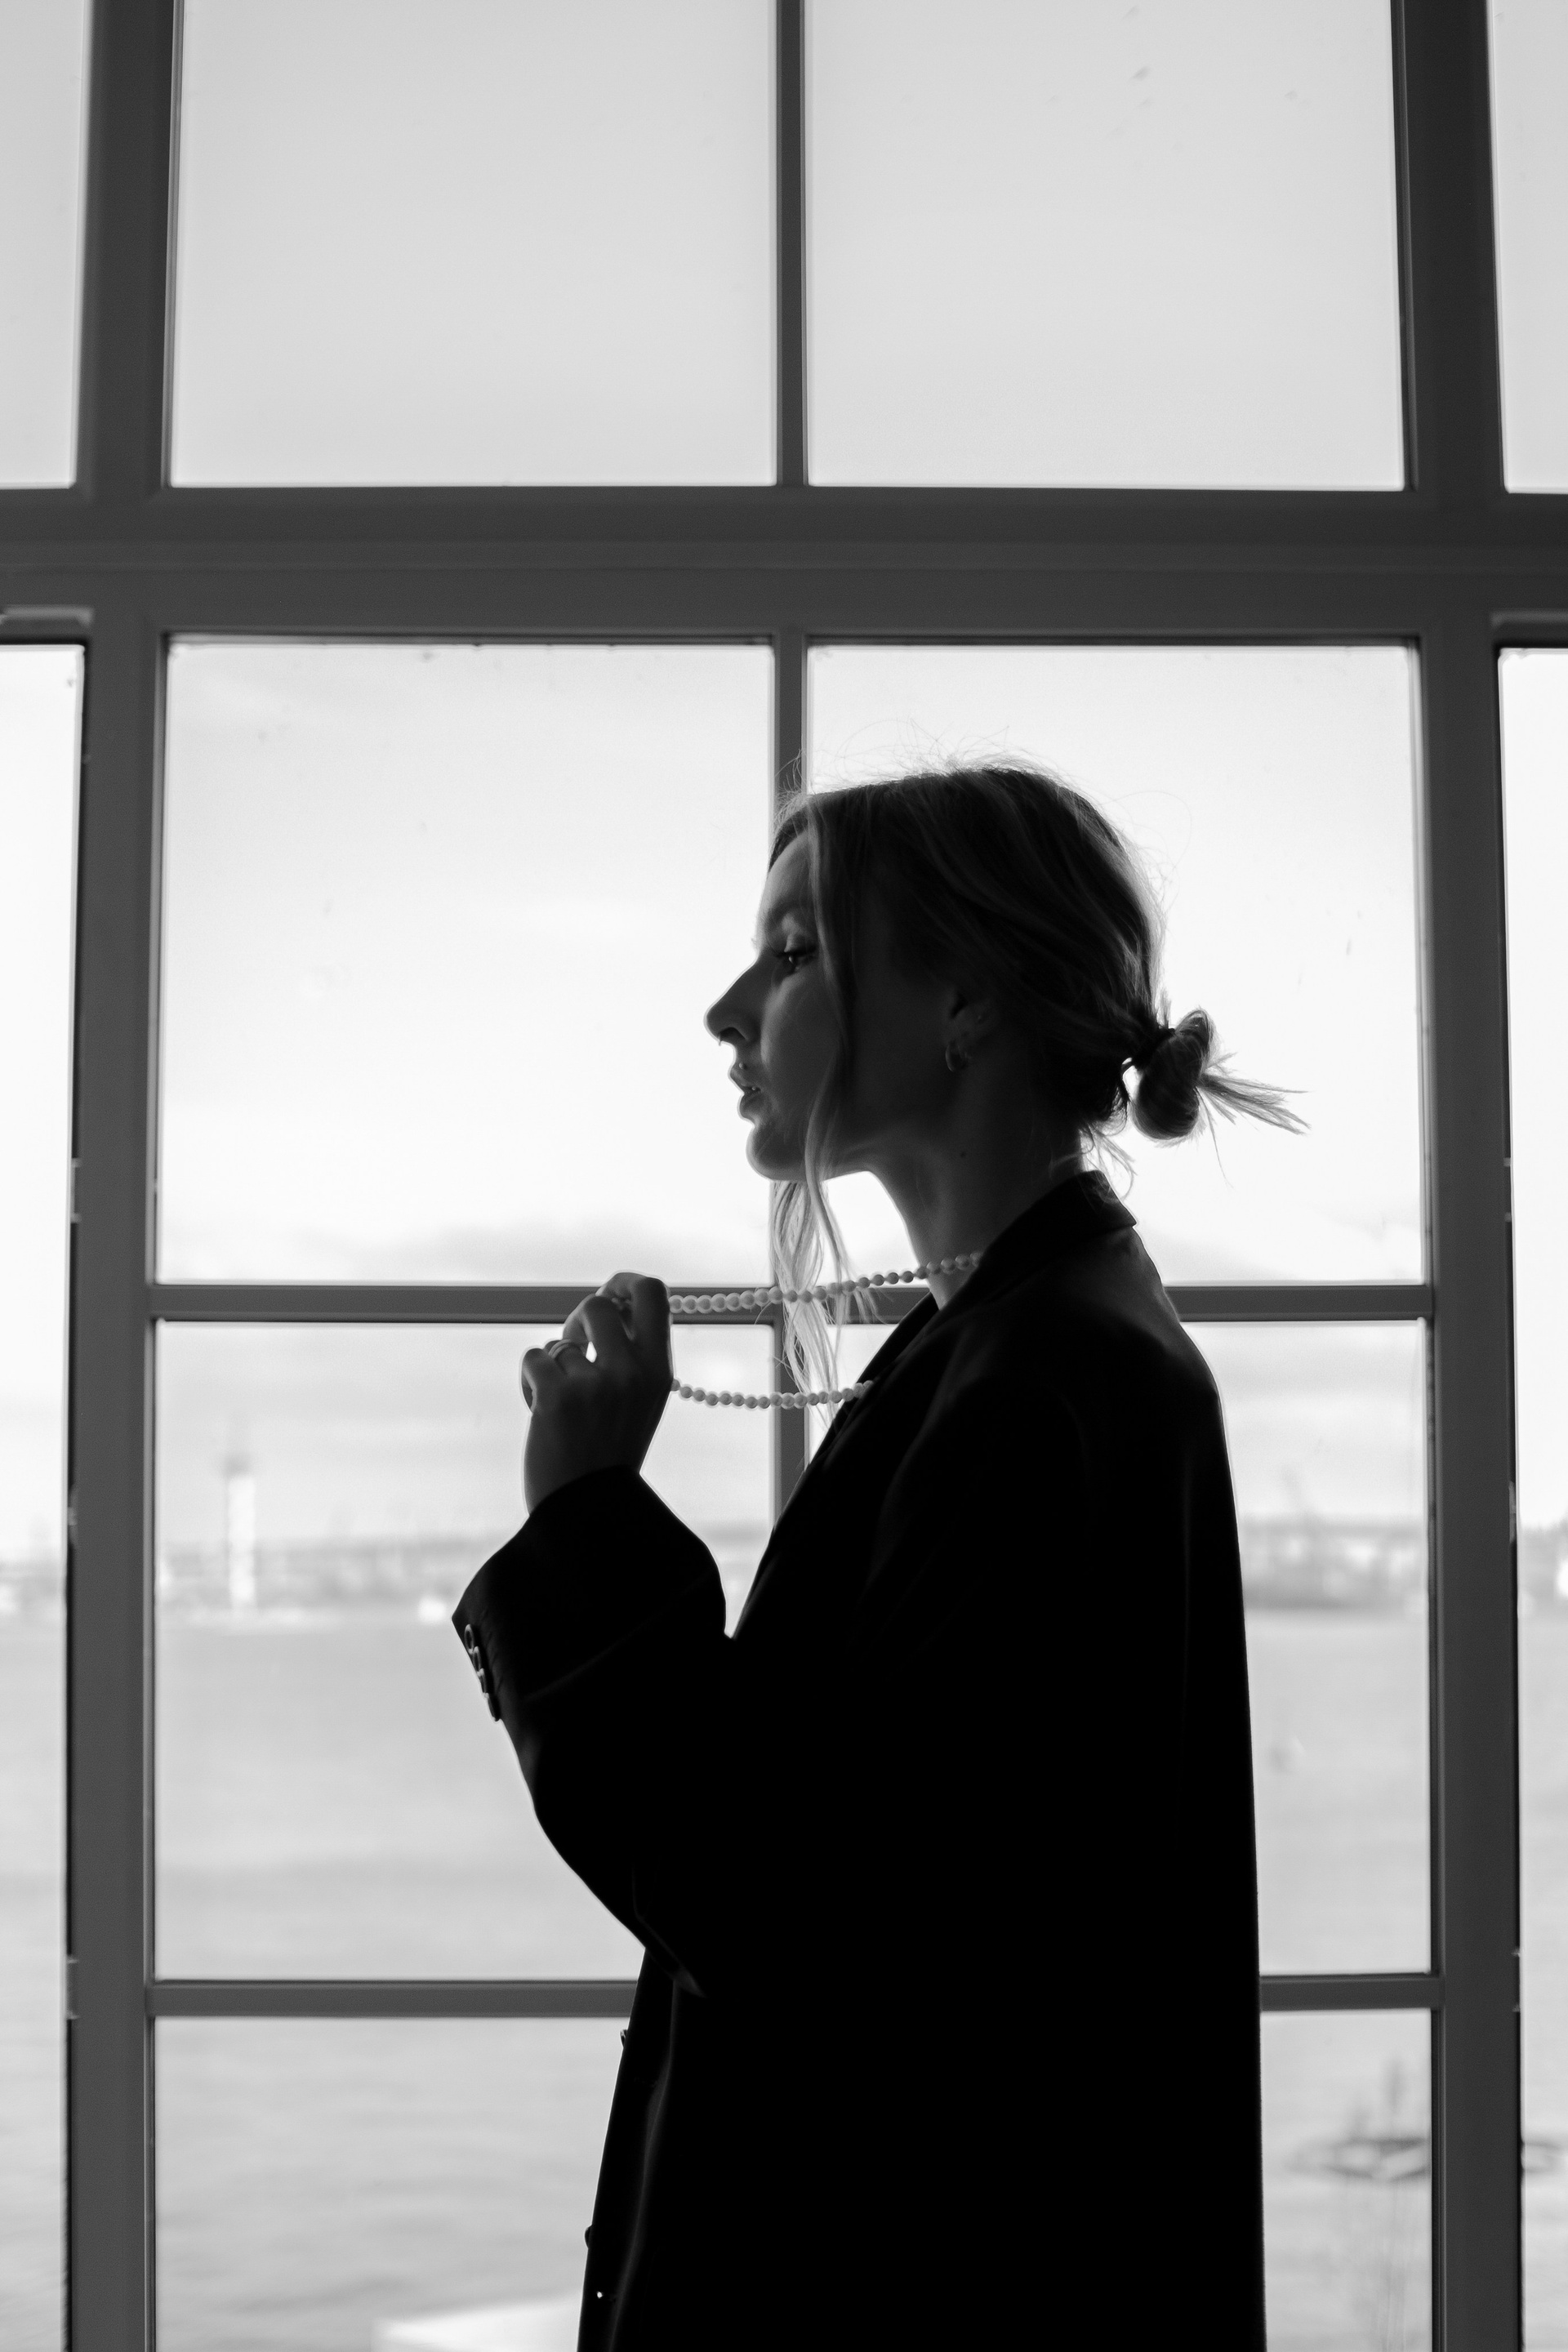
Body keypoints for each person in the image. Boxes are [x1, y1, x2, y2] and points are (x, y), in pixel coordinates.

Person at [452, 763, 1294, 2350]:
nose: (726, 1012)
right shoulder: (1019, 1344)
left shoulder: (1041, 1380)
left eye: (791, 953)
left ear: (964, 1001)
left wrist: (583, 1520)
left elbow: (803, 1920)